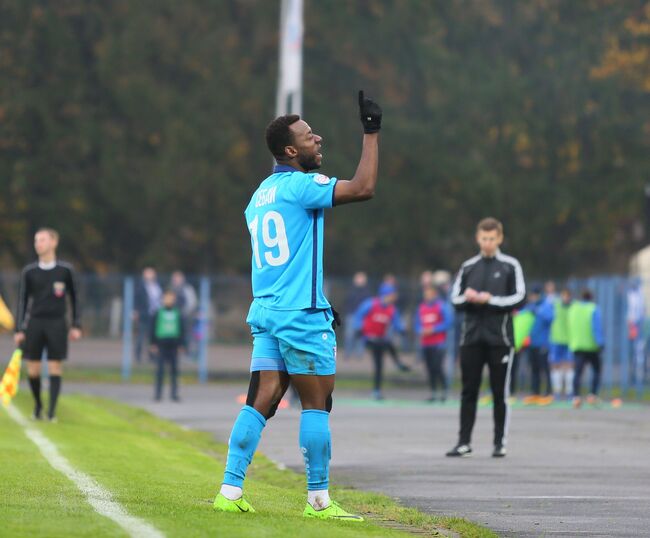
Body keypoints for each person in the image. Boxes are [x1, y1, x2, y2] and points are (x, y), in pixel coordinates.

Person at [213, 90, 382, 521]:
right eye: (309, 136)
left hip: (266, 309)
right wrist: (371, 132)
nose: (318, 139)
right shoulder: (300, 186)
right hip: (299, 313)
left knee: (261, 399)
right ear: (291, 150)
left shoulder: (259, 196)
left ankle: (229, 491)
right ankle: (319, 502)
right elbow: (363, 188)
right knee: (317, 403)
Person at [447, 217, 525, 458]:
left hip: (500, 340)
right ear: (477, 238)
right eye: (484, 238)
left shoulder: (511, 265)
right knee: (468, 391)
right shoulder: (468, 266)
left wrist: (490, 300)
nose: (488, 243)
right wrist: (469, 297)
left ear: (499, 238)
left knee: (499, 392)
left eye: (492, 238)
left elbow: (519, 297)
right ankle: (463, 442)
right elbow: (455, 299)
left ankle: (499, 443)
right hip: (471, 339)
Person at [14, 228, 82, 421]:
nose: (38, 244)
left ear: (54, 242)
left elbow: (75, 298)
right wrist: (19, 329)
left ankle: (51, 412)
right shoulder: (30, 271)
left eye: (42, 240)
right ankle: (38, 405)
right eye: (36, 240)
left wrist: (76, 324)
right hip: (35, 323)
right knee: (33, 369)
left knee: (54, 366)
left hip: (57, 323)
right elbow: (22, 301)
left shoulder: (65, 271)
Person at [355, 283, 407, 400]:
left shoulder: (392, 309)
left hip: (380, 339)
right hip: (369, 338)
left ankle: (376, 391)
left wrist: (402, 330)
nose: (394, 297)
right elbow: (358, 315)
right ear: (386, 295)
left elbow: (397, 323)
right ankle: (398, 362)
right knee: (386, 344)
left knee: (379, 365)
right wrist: (359, 328)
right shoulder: (371, 304)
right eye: (392, 294)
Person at [414, 285, 452, 402]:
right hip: (426, 343)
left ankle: (444, 391)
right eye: (425, 294)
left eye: (429, 294)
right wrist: (421, 330)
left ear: (434, 294)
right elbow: (417, 324)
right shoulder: (421, 308)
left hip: (439, 343)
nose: (427, 296)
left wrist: (434, 329)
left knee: (437, 367)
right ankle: (433, 392)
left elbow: (448, 322)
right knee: (430, 369)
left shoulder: (441, 306)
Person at [569, 289, 604, 408]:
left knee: (577, 373)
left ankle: (576, 397)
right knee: (596, 370)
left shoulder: (573, 309)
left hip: (577, 345)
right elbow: (597, 327)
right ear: (591, 298)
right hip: (591, 346)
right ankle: (592, 395)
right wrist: (600, 342)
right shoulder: (593, 309)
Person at [150, 290, 185, 402]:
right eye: (167, 298)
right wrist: (153, 343)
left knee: (174, 371)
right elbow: (153, 328)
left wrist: (181, 344)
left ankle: (174, 394)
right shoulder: (158, 312)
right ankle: (158, 394)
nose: (169, 300)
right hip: (161, 344)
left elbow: (181, 329)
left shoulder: (177, 312)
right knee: (160, 371)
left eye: (171, 298)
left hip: (173, 344)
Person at [522, 286, 554, 405]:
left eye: (534, 295)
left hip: (543, 344)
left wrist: (538, 312)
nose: (533, 297)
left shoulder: (545, 305)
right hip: (531, 343)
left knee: (545, 369)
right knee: (534, 369)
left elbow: (550, 318)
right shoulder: (530, 306)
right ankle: (535, 392)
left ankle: (548, 393)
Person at [133, 267, 162, 362]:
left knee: (152, 338)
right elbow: (136, 300)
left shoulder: (157, 286)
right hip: (143, 315)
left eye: (151, 274)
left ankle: (152, 356)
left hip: (155, 315)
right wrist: (135, 312)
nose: (149, 276)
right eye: (147, 274)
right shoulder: (140, 286)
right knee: (140, 337)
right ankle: (138, 356)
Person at [549, 288, 574, 399]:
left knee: (568, 366)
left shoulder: (574, 308)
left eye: (567, 296)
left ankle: (569, 391)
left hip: (569, 340)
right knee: (555, 365)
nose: (566, 298)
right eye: (564, 296)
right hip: (556, 340)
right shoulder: (555, 305)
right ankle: (557, 391)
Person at [170, 271, 198, 356]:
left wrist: (185, 312)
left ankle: (188, 353)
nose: (176, 280)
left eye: (178, 278)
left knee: (187, 335)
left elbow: (192, 302)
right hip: (172, 317)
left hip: (185, 316)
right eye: (175, 278)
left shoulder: (188, 288)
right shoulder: (170, 288)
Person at [343, 271, 370, 359]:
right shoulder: (351, 290)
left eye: (361, 278)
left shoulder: (366, 292)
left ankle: (359, 355)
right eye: (358, 278)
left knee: (360, 336)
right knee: (349, 336)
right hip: (351, 315)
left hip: (362, 317)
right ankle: (347, 354)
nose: (359, 280)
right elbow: (346, 302)